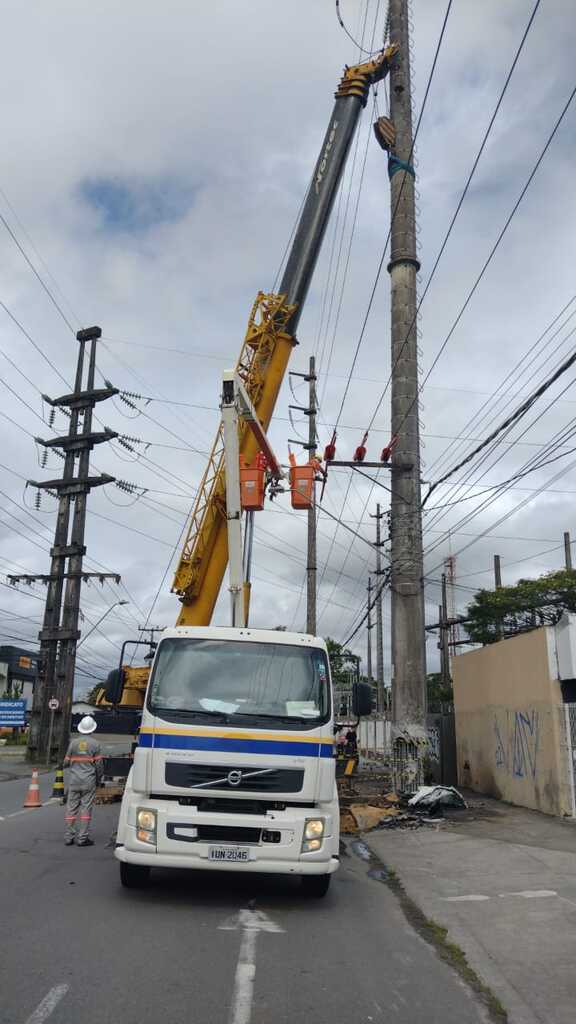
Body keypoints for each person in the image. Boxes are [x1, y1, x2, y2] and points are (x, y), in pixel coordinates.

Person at [63, 715, 103, 847]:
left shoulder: (73, 743)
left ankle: (69, 837)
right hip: (88, 781)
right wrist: (98, 780)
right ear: (92, 729)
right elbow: (99, 766)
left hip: (74, 781)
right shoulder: (95, 744)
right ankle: (82, 838)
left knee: (71, 809)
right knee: (86, 809)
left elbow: (66, 762)